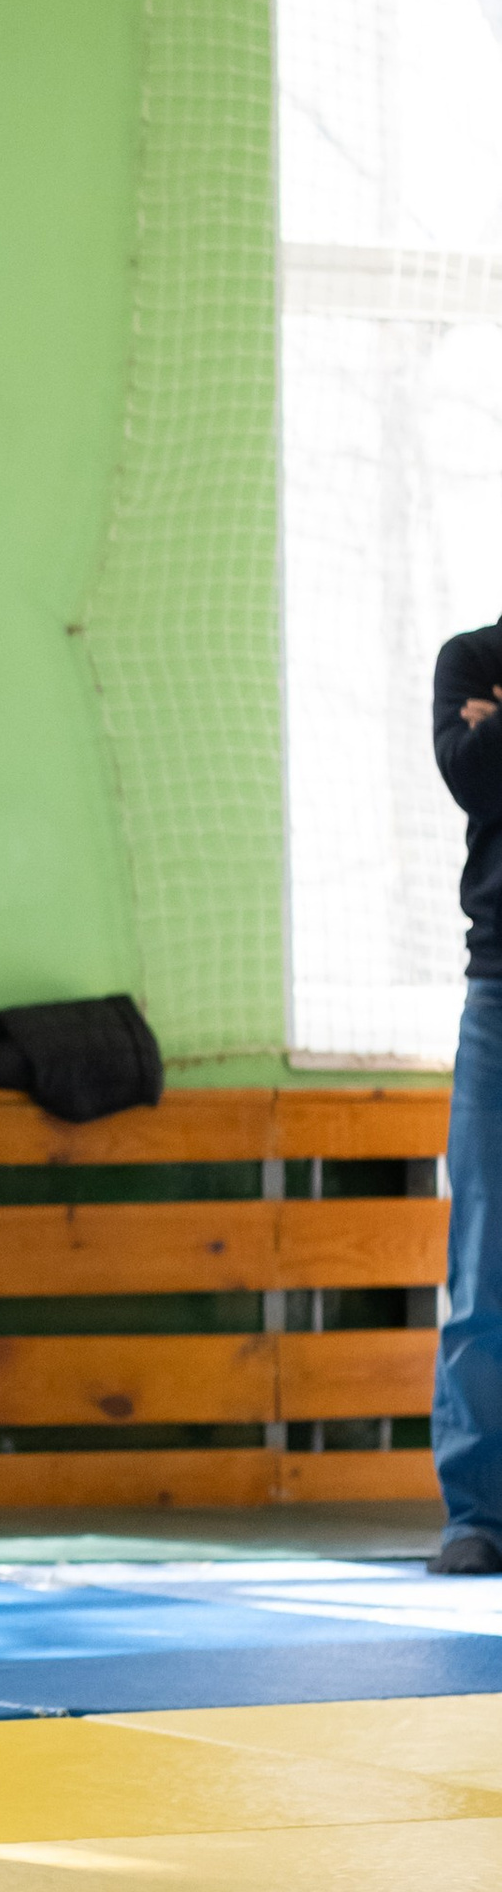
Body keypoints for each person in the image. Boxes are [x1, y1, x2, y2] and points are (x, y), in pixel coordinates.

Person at [430, 621, 502, 1572]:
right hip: (498, 993)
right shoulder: (471, 660)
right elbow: (474, 777)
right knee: (484, 1264)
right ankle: (477, 1515)